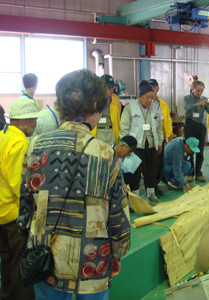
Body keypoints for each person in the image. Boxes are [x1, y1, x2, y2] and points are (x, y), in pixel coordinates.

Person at [17, 69, 131, 299]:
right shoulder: (105, 154)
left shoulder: (35, 146)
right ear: (96, 106)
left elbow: (25, 206)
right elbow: (118, 214)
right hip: (92, 262)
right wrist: (117, 253)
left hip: (45, 261)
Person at [0, 97, 43, 300]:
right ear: (24, 121)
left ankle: (7, 295)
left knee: (6, 262)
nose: (36, 124)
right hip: (14, 214)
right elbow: (19, 184)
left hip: (1, 212)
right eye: (34, 120)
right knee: (21, 265)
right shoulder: (19, 143)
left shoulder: (2, 135)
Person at [120, 80, 164, 205]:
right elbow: (124, 127)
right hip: (135, 146)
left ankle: (151, 195)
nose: (150, 100)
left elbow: (159, 127)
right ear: (140, 96)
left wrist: (159, 142)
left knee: (152, 170)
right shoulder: (130, 107)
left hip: (151, 144)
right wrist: (125, 145)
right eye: (147, 97)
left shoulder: (155, 107)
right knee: (135, 172)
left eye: (151, 97)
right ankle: (135, 198)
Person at [183, 81, 209, 182]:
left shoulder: (204, 99)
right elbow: (187, 109)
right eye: (198, 91)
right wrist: (196, 104)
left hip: (201, 126)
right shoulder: (187, 98)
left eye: (202, 91)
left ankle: (199, 172)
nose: (200, 93)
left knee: (200, 150)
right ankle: (190, 173)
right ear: (192, 89)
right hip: (190, 125)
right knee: (190, 150)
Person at [148, 79, 173, 197]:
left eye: (153, 87)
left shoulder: (163, 104)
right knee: (151, 165)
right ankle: (152, 188)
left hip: (160, 138)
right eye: (149, 87)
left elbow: (167, 120)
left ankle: (156, 185)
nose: (152, 90)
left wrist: (169, 134)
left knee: (159, 164)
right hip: (149, 138)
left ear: (157, 89)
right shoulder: (145, 103)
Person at [91, 74, 121, 145]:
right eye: (109, 87)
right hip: (98, 132)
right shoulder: (93, 99)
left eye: (112, 87)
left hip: (111, 132)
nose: (111, 90)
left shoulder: (115, 98)